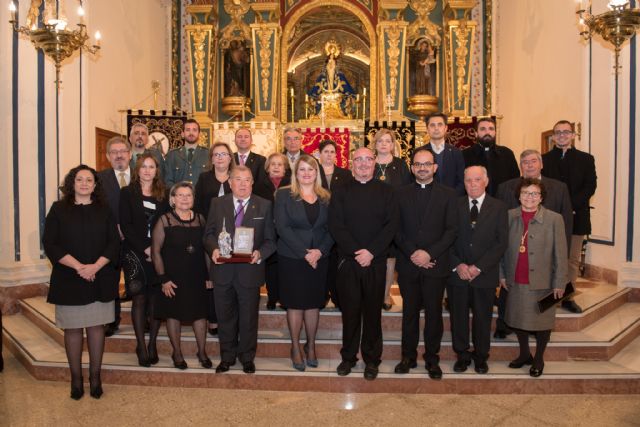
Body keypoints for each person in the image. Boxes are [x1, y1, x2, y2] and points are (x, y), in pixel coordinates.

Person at [43, 165, 120, 400]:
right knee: (73, 330)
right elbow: (50, 243)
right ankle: (76, 379)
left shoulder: (104, 210)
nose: (84, 183)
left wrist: (95, 266)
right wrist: (78, 267)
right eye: (79, 180)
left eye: (89, 180)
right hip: (69, 278)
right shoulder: (58, 209)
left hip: (100, 276)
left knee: (97, 329)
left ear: (95, 185)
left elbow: (114, 243)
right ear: (72, 183)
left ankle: (95, 378)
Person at [328, 147, 399, 380]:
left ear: (375, 162)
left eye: (368, 159)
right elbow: (336, 225)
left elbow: (391, 226)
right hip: (348, 262)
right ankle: (348, 357)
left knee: (372, 314)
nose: (364, 164)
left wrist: (371, 252)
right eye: (359, 160)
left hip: (376, 262)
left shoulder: (387, 191)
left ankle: (372, 360)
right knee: (350, 313)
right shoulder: (340, 191)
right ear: (352, 163)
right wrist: (357, 252)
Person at [203, 166, 277, 374]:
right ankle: (227, 357)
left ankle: (247, 358)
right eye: (238, 179)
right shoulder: (217, 204)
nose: (243, 184)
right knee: (224, 317)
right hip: (223, 271)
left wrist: (260, 254)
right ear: (230, 182)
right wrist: (214, 250)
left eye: (247, 179)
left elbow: (271, 240)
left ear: (252, 182)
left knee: (248, 318)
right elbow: (208, 235)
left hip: (249, 272)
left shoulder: (264, 205)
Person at [393, 148, 458, 379]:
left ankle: (432, 359)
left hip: (436, 265)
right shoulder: (399, 194)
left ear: (435, 167)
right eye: (418, 164)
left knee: (434, 314)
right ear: (412, 168)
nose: (422, 168)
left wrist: (429, 254)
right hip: (409, 264)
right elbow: (396, 229)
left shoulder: (449, 195)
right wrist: (414, 253)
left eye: (427, 164)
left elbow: (451, 230)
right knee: (409, 313)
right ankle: (407, 357)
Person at [495, 149, 573, 338]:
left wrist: (561, 263)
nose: (529, 165)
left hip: (544, 259)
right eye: (524, 162)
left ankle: (537, 331)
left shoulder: (559, 187)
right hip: (514, 256)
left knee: (541, 305)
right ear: (520, 166)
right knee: (511, 298)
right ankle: (504, 325)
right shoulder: (505, 187)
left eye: (533, 161)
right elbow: (498, 222)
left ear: (541, 164)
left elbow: (566, 224)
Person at [501, 178, 568, 377]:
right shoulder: (509, 216)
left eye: (534, 193)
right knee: (518, 318)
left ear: (541, 197)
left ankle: (538, 358)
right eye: (525, 193)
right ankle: (524, 354)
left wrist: (560, 282)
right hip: (516, 278)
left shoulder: (554, 219)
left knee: (543, 322)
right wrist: (502, 275)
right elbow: (501, 250)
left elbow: (561, 253)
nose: (529, 197)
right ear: (518, 196)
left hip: (543, 281)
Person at [274, 155, 334, 371]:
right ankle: (296, 347)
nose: (307, 173)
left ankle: (311, 346)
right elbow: (282, 227)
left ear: (317, 173)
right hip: (292, 257)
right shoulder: (283, 195)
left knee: (313, 303)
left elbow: (332, 229)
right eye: (302, 170)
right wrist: (304, 253)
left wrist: (320, 251)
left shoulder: (326, 197)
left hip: (319, 258)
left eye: (311, 169)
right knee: (295, 303)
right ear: (295, 173)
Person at [449, 166, 508, 375]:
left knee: (483, 317)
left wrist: (479, 267)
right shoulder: (454, 205)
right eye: (468, 180)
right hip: (459, 274)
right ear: (463, 182)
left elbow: (501, 243)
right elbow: (447, 239)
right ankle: (462, 355)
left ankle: (481, 356)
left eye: (477, 180)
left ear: (486, 181)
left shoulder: (499, 207)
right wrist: (459, 265)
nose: (472, 184)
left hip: (485, 274)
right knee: (459, 318)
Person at [151, 182, 211, 370]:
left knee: (200, 315)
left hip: (198, 275)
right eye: (180, 195)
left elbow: (207, 250)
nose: (185, 199)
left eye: (189, 195)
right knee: (173, 314)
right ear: (172, 199)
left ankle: (202, 351)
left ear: (193, 199)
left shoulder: (201, 219)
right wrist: (163, 279)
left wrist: (210, 276)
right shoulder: (164, 220)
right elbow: (156, 251)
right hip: (173, 278)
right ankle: (176, 352)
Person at [542, 120, 597, 314]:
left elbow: (590, 186)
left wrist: (570, 207)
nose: (562, 135)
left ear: (573, 135)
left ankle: (567, 298)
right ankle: (549, 296)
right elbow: (542, 188)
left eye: (566, 132)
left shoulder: (586, 159)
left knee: (572, 259)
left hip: (577, 215)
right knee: (549, 258)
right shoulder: (544, 160)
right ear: (553, 137)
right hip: (550, 217)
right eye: (558, 132)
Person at [119, 154, 168, 367]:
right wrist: (145, 247)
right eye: (143, 167)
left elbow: (167, 223)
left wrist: (155, 249)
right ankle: (140, 344)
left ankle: (153, 344)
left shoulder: (163, 195)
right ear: (137, 170)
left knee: (156, 300)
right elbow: (125, 225)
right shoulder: (127, 193)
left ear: (156, 170)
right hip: (134, 253)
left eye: (151, 167)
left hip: (158, 253)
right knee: (139, 298)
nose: (147, 171)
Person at [194, 142, 234, 336]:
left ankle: (230, 317)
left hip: (233, 234)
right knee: (210, 278)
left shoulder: (236, 178)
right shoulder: (204, 178)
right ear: (211, 159)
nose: (219, 158)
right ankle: (213, 318)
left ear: (229, 158)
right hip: (208, 233)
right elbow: (198, 206)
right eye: (216, 154)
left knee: (229, 277)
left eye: (223, 154)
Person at [372, 129, 412, 311]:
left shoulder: (401, 165)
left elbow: (406, 191)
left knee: (390, 259)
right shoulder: (368, 163)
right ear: (375, 143)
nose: (384, 144)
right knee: (374, 257)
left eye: (388, 141)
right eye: (380, 141)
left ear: (392, 144)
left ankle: (386, 294)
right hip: (372, 219)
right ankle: (372, 292)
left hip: (395, 217)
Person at [97, 136, 132, 337]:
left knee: (136, 280)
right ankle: (111, 320)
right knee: (110, 282)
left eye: (122, 151)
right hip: (109, 240)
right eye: (114, 152)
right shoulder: (99, 179)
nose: (119, 155)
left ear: (129, 154)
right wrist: (114, 228)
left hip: (135, 240)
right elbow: (98, 210)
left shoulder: (140, 175)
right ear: (109, 156)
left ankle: (142, 318)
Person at [253, 152, 292, 310]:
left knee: (285, 266)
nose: (276, 167)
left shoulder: (292, 185)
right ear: (267, 168)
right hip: (267, 232)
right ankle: (272, 297)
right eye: (273, 164)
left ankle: (284, 298)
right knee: (270, 267)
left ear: (285, 169)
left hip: (287, 233)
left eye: (280, 164)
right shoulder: (258, 186)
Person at [317, 139, 352, 308]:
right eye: (326, 152)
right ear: (319, 154)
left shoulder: (345, 174)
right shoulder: (313, 172)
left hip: (339, 223)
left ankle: (338, 296)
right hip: (319, 223)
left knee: (338, 263)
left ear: (336, 155)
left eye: (332, 152)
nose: (329, 155)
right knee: (323, 262)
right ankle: (322, 295)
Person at [462, 117, 520, 196]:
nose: (487, 132)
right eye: (483, 129)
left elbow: (515, 181)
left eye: (491, 129)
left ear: (495, 132)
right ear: (476, 133)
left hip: (502, 202)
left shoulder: (507, 153)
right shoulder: (464, 155)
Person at [422, 113, 465, 195]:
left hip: (452, 202)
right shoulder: (419, 153)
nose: (436, 128)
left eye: (440, 125)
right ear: (427, 129)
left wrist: (452, 198)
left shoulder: (456, 153)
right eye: (432, 125)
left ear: (446, 128)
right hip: (426, 201)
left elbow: (461, 181)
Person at [164, 119, 210, 187]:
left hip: (202, 197)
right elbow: (167, 180)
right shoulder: (172, 155)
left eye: (194, 130)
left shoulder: (208, 154)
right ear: (182, 134)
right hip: (179, 196)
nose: (191, 133)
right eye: (188, 130)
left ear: (199, 134)